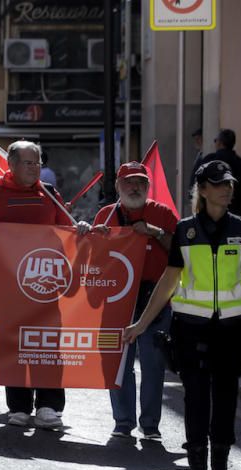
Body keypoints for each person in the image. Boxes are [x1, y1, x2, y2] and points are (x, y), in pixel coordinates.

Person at [124, 160, 241, 470]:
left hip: (233, 329)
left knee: (225, 397)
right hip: (191, 328)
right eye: (219, 184)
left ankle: (219, 468)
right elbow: (168, 281)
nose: (227, 189)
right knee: (195, 398)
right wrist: (141, 323)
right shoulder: (185, 230)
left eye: (230, 184)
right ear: (203, 190)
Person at [0, 140, 86, 430]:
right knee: (13, 345)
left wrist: (83, 229)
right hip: (9, 289)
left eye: (38, 162)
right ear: (11, 165)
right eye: (28, 162)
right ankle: (19, 406)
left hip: (44, 288)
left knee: (47, 346)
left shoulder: (50, 193)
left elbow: (69, 228)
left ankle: (49, 406)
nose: (35, 167)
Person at [92, 162, 178, 440]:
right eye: (129, 182)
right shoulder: (105, 215)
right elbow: (90, 258)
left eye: (141, 182)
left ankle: (150, 424)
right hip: (115, 300)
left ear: (148, 187)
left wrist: (154, 231)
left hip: (155, 298)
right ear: (117, 186)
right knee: (116, 363)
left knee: (153, 363)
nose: (135, 187)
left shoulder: (163, 214)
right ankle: (123, 421)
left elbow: (181, 252)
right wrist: (92, 236)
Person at [196, 129, 241, 215]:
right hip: (234, 212)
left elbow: (199, 185)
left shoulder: (209, 160)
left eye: (215, 140)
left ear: (220, 143)